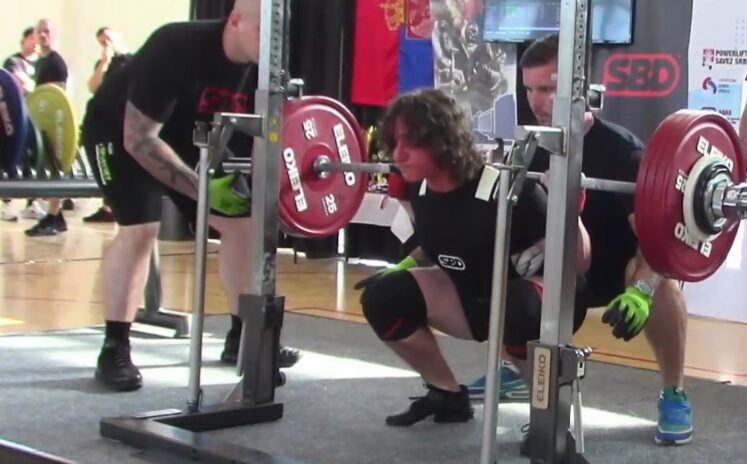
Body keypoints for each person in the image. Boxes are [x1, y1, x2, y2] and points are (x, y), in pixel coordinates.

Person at [80, 0, 299, 392]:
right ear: (235, 20)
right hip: (119, 131)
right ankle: (114, 347)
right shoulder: (176, 45)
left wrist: (267, 197)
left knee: (244, 226)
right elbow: (139, 139)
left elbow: (268, 140)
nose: (271, 44)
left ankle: (244, 338)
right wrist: (202, 191)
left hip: (189, 138)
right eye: (262, 32)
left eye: (277, 37)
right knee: (141, 229)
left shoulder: (267, 70)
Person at [356, 88, 592, 433]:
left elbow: (578, 265)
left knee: (516, 309)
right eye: (394, 142)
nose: (397, 154)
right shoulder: (420, 190)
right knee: (383, 298)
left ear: (443, 142)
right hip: (474, 297)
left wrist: (569, 206)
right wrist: (402, 268)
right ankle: (446, 394)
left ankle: (550, 417)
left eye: (411, 143)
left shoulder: (510, 192)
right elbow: (442, 242)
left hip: (543, 306)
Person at [514, 33, 691, 446]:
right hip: (566, 271)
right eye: (529, 89)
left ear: (580, 90)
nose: (537, 101)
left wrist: (641, 290)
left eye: (547, 89)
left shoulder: (623, 152)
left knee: (663, 284)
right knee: (504, 286)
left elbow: (656, 241)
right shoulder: (532, 148)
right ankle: (518, 367)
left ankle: (675, 393)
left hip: (620, 275)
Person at [24, 18, 71, 237]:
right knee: (49, 168)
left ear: (54, 35)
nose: (43, 35)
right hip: (43, 122)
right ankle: (55, 216)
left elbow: (59, 94)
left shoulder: (55, 62)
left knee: (56, 168)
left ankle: (54, 216)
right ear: (35, 35)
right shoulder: (40, 62)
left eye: (47, 31)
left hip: (55, 122)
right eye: (40, 31)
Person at [83, 26, 132, 223]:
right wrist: (104, 62)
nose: (107, 44)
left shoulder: (132, 61)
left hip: (126, 122)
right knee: (107, 163)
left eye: (109, 39)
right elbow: (93, 87)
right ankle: (108, 205)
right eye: (102, 42)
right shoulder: (103, 65)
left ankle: (121, 205)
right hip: (107, 124)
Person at [2, 26, 40, 222]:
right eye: (32, 37)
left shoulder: (42, 63)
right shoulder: (13, 62)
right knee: (9, 158)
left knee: (32, 160)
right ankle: (6, 205)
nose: (36, 41)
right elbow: (22, 84)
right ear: (23, 40)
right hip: (15, 117)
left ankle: (32, 204)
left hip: (35, 120)